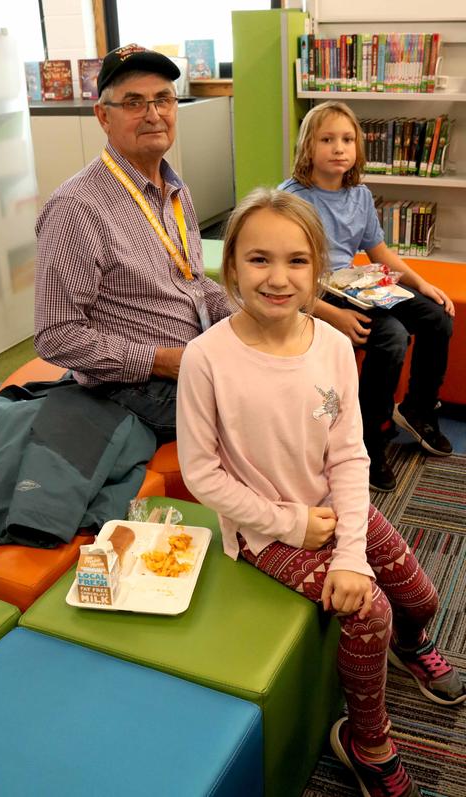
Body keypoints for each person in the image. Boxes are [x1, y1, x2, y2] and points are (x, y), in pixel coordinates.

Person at [176, 188, 465, 797]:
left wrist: (351, 551)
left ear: (319, 271)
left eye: (297, 261)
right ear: (231, 267)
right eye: (259, 260)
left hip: (334, 512)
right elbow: (202, 474)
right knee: (370, 614)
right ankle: (367, 741)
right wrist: (288, 523)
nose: (278, 278)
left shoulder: (334, 346)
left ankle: (410, 648)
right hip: (260, 534)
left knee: (420, 599)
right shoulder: (205, 359)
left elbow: (350, 457)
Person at [34, 43, 231, 446]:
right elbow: (55, 334)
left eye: (163, 99)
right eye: (134, 103)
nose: (154, 114)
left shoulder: (174, 188)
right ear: (103, 116)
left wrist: (253, 318)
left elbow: (193, 282)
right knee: (273, 408)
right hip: (131, 385)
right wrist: (162, 362)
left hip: (191, 358)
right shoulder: (78, 208)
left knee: (290, 371)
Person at [279, 101, 455, 493]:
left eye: (347, 140)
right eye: (327, 139)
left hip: (357, 284)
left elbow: (379, 252)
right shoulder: (292, 200)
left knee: (439, 317)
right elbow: (284, 273)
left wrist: (420, 282)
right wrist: (329, 314)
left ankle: (418, 409)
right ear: (308, 146)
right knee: (391, 337)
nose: (338, 148)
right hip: (317, 290)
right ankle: (368, 442)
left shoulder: (358, 194)